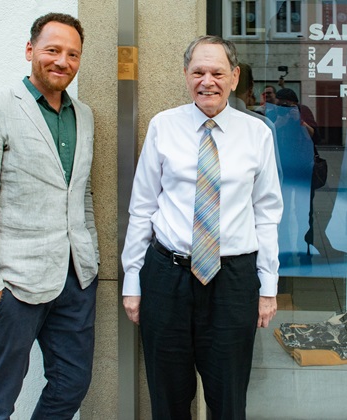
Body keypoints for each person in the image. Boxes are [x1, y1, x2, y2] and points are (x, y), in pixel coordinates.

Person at [122, 35, 283, 419]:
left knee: (228, 402)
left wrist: (268, 287)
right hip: (167, 277)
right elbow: (141, 207)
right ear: (186, 75)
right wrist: (132, 281)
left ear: (234, 77)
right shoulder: (164, 126)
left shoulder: (256, 133)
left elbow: (267, 213)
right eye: (198, 72)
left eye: (217, 72)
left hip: (233, 281)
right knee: (168, 398)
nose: (206, 81)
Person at [0, 13, 99, 419]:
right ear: (30, 50)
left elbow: (82, 193)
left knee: (72, 384)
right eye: (53, 50)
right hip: (12, 284)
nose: (62, 61)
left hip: (75, 280)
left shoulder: (83, 116)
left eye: (73, 54)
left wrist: (90, 256)